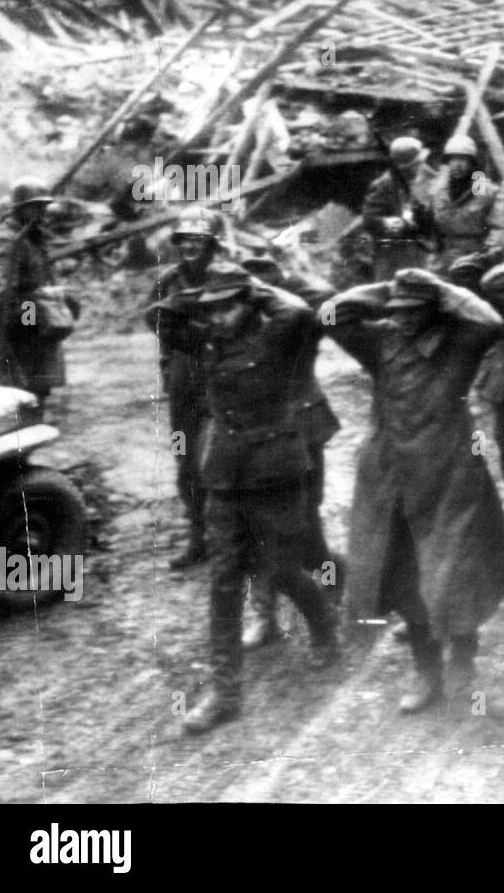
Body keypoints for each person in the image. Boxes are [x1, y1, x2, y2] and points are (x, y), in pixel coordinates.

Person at [148, 263, 341, 734]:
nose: (216, 318)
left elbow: (296, 309)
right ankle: (226, 693)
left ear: (250, 305)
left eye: (226, 309)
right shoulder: (208, 340)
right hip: (225, 471)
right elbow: (158, 317)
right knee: (224, 577)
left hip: (275, 469)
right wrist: (201, 294)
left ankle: (322, 625)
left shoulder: (280, 339)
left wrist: (250, 290)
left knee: (280, 566)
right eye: (209, 312)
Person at [322, 267, 504, 715]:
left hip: (450, 473)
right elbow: (332, 313)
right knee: (405, 575)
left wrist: (436, 288)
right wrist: (394, 288)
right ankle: (427, 671)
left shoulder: (459, 345)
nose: (402, 319)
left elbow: (490, 321)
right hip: (392, 475)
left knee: (454, 575)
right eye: (397, 312)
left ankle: (463, 663)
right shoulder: (380, 342)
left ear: (435, 310)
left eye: (413, 312)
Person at [237, 256, 345, 648]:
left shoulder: (300, 320)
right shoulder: (236, 326)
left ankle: (334, 578)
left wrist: (282, 283)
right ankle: (264, 615)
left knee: (306, 527)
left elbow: (329, 298)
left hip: (302, 428)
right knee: (254, 530)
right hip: (255, 437)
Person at [149, 207, 222, 570]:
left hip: (221, 371)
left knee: (222, 453)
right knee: (185, 454)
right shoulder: (167, 280)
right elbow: (159, 325)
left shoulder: (228, 278)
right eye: (185, 240)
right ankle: (197, 536)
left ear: (213, 245)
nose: (191, 246)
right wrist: (167, 368)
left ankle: (229, 536)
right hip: (183, 375)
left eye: (200, 239)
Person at [0, 180, 76, 409]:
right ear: (20, 208)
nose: (42, 213)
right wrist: (32, 316)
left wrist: (56, 301)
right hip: (20, 330)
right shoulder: (8, 239)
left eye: (44, 207)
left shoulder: (33, 237)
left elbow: (40, 278)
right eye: (36, 207)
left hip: (36, 327)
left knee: (38, 391)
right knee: (19, 396)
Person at [361, 136, 436, 279]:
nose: (420, 167)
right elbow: (368, 219)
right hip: (392, 255)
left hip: (418, 251)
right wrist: (386, 223)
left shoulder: (423, 178)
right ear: (403, 167)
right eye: (416, 164)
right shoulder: (385, 184)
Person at [423, 135, 500, 273]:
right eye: (453, 159)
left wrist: (489, 251)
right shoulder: (437, 190)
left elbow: (499, 226)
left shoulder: (483, 189)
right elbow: (429, 226)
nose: (457, 164)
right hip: (442, 258)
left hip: (474, 257)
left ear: (472, 163)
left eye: (463, 159)